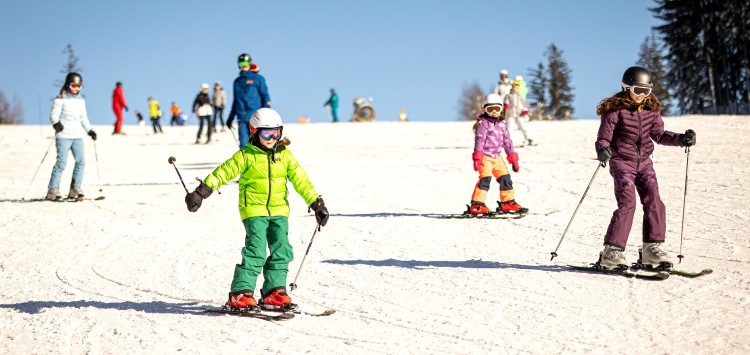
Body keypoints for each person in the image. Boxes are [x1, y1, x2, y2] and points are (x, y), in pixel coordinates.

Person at [184, 108, 329, 310]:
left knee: (282, 249)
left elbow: (301, 180)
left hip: (279, 211)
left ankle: (274, 291)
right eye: (266, 133)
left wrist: (316, 203)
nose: (271, 138)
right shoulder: (246, 155)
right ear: (254, 131)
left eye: (276, 133)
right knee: (256, 251)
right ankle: (240, 293)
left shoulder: (285, 156)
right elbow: (223, 172)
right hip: (253, 210)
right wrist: (200, 193)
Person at [594, 66, 696, 270]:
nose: (641, 96)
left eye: (646, 91)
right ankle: (611, 252)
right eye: (637, 90)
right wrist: (603, 149)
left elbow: (659, 135)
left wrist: (681, 139)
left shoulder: (651, 110)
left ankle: (651, 249)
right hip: (622, 163)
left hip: (645, 164)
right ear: (626, 88)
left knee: (654, 201)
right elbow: (603, 138)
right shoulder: (614, 111)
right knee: (627, 204)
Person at [468, 94, 527, 215]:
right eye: (490, 109)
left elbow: (507, 142)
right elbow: (479, 140)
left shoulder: (502, 125)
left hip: (497, 157)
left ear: (501, 109)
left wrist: (513, 160)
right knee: (485, 179)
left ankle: (507, 202)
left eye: (497, 109)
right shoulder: (483, 124)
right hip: (485, 157)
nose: (494, 112)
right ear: (485, 110)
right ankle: (477, 205)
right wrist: (477, 157)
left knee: (506, 179)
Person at [46, 72, 97, 201]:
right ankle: (53, 190)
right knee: (61, 163)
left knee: (81, 161)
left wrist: (90, 130)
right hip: (63, 136)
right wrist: (56, 124)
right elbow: (54, 115)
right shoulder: (60, 99)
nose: (76, 89)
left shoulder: (81, 101)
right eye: (74, 86)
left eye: (78, 86)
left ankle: (75, 188)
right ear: (68, 85)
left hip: (77, 136)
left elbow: (83, 118)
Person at [226, 53, 271, 149]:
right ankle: (246, 164)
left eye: (246, 63)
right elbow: (236, 100)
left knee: (258, 145)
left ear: (250, 63)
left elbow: (265, 96)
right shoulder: (237, 82)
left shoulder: (258, 78)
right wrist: (231, 117)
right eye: (241, 63)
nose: (244, 65)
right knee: (244, 146)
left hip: (256, 118)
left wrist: (265, 112)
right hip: (241, 117)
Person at [503, 79, 534, 146]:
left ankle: (528, 139)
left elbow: (523, 105)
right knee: (509, 128)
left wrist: (525, 114)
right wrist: (505, 113)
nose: (517, 89)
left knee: (523, 127)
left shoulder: (520, 97)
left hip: (518, 114)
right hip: (510, 114)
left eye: (518, 88)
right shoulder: (508, 96)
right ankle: (507, 141)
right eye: (515, 87)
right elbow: (506, 105)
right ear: (512, 87)